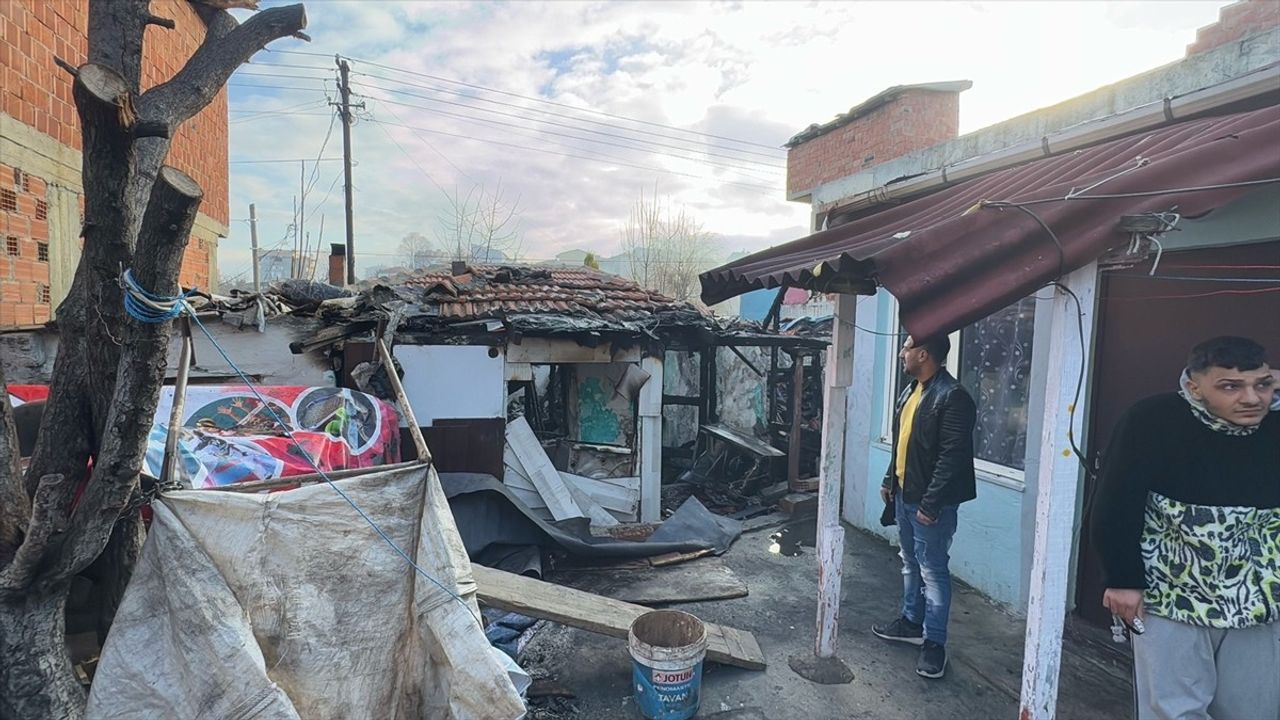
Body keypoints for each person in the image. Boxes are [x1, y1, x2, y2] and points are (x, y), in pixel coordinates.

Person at [1090, 336, 1279, 720]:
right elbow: (1115, 501)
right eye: (1230, 386)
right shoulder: (1152, 420)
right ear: (1193, 387)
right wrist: (1122, 578)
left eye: (1262, 384)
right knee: (1174, 712)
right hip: (1172, 594)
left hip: (1259, 596)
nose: (1251, 398)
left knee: (1253, 710)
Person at [871, 335, 977, 679]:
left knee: (933, 570)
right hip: (905, 494)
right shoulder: (910, 390)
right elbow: (903, 443)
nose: (901, 353)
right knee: (909, 563)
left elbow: (952, 457)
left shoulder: (953, 396)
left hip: (931, 502)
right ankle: (911, 622)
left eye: (906, 347)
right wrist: (890, 479)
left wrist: (931, 504)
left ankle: (935, 643)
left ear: (923, 354)